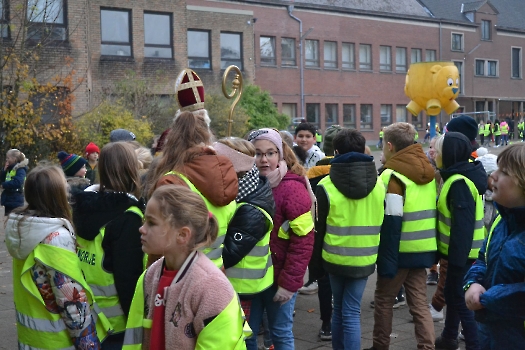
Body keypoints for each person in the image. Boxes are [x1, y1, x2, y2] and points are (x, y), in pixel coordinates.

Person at [123, 185, 247, 349]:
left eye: (151, 223)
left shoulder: (213, 288)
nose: (142, 229)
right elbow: (133, 340)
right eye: (144, 221)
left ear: (182, 235)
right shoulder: (149, 276)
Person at [5, 165, 103, 349]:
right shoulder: (56, 238)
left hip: (30, 339)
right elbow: (72, 306)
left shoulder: (22, 230)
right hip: (58, 342)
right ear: (57, 196)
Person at [312, 128, 385, 350]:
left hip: (334, 258)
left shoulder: (325, 186)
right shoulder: (380, 184)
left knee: (339, 310)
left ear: (335, 151)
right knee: (352, 311)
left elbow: (319, 229)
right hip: (365, 259)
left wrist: (315, 266)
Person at [366, 122, 436, 350]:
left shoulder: (393, 177)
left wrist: (386, 257)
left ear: (389, 145)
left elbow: (392, 221)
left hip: (398, 250)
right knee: (419, 304)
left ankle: (380, 346)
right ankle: (427, 347)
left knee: (384, 301)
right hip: (422, 249)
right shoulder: (427, 170)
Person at [247, 128, 315, 350]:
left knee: (280, 332)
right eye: (257, 153)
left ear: (280, 155)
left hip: (280, 278)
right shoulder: (243, 187)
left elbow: (303, 241)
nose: (264, 159)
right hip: (250, 279)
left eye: (270, 153)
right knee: (245, 334)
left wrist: (289, 284)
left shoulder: (292, 189)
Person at [73, 142, 146, 349]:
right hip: (118, 325)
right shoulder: (129, 217)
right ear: (132, 170)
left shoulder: (82, 209)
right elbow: (128, 279)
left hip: (87, 317)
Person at [146, 111, 237, 269]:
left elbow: (162, 236)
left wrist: (153, 276)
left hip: (180, 273)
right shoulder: (225, 174)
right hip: (216, 272)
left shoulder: (171, 181)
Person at [464, 143, 525, 349]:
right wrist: (473, 282)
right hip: (491, 333)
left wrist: (490, 297)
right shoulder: (502, 220)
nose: (494, 176)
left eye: (504, 172)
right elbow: (483, 258)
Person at [214, 138, 275, 329]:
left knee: (242, 337)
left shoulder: (250, 207)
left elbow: (230, 253)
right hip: (241, 283)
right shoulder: (247, 191)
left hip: (241, 285)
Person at [433, 132, 486, 350]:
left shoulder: (458, 183)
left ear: (448, 154)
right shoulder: (458, 177)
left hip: (462, 256)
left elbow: (462, 229)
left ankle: (475, 345)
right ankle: (448, 337)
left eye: (437, 150)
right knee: (452, 296)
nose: (433, 154)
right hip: (460, 255)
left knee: (461, 301)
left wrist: (455, 262)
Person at [305, 124, 344, 340]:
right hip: (350, 237)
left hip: (321, 235)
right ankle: (345, 321)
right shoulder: (357, 172)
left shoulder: (314, 174)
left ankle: (327, 323)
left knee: (325, 282)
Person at [0, 149, 28, 215]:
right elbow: (3, 179)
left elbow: (17, 182)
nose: (6, 160)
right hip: (7, 198)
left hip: (15, 198)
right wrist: (4, 171)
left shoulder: (20, 170)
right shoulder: (9, 169)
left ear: (14, 159)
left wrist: (3, 185)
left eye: (8, 158)